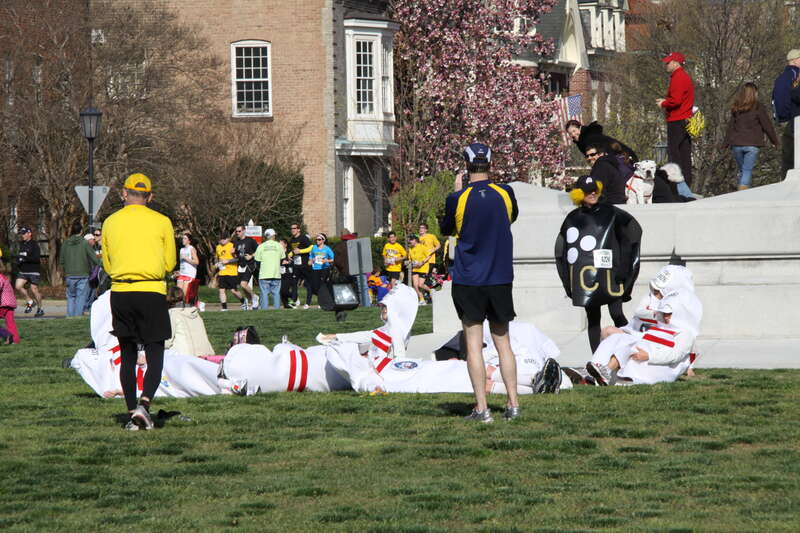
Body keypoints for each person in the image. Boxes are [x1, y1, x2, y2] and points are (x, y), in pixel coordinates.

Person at [439, 142, 520, 423]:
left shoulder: (458, 199)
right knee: (504, 343)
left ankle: (482, 409)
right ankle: (513, 404)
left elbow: (447, 228)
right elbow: (511, 218)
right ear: (491, 163)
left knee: (473, 344)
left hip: (469, 278)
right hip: (500, 277)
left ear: (466, 164)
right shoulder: (505, 193)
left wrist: (457, 191)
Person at [101, 173, 176, 430]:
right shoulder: (162, 221)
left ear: (124, 193)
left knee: (128, 353)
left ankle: (132, 410)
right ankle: (145, 404)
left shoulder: (110, 222)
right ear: (150, 196)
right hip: (151, 290)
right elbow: (170, 262)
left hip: (121, 291)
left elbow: (107, 263)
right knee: (155, 353)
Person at [554, 175, 642, 353]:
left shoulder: (611, 212)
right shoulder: (572, 218)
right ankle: (598, 358)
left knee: (617, 313)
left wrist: (624, 268)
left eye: (595, 189)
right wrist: (569, 283)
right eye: (587, 191)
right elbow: (562, 251)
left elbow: (631, 234)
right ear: (579, 194)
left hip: (611, 275)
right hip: (586, 277)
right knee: (593, 318)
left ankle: (633, 349)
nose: (592, 193)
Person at [723, 83, 779, 190]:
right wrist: (774, 141)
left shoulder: (736, 107)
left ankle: (743, 189)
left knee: (743, 170)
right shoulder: (758, 107)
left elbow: (730, 127)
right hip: (752, 144)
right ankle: (743, 191)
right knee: (747, 170)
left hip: (737, 144)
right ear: (755, 93)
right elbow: (767, 125)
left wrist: (725, 144)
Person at [657, 52, 695, 191]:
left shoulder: (678, 77)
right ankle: (686, 185)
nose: (666, 65)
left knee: (675, 153)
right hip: (684, 119)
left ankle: (678, 187)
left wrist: (664, 103)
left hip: (677, 119)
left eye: (668, 62)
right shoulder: (683, 76)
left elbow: (676, 100)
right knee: (684, 152)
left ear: (676, 63)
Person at [60, 221, 102, 317]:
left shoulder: (66, 243)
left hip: (69, 274)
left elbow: (61, 260)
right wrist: (103, 264)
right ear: (81, 231)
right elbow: (95, 258)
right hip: (83, 274)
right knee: (80, 297)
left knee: (71, 297)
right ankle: (77, 318)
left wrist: (66, 269)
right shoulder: (84, 243)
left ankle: (70, 317)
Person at [772, 49, 800, 177]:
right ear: (794, 60)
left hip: (784, 118)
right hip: (794, 118)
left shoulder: (781, 77)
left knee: (788, 155)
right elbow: (795, 94)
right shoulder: (796, 75)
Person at [165, 286, 215, 357]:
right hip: (205, 353)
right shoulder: (194, 312)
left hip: (184, 357)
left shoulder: (173, 313)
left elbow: (167, 342)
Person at [565, 120, 638, 162]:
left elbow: (601, 156)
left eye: (574, 131)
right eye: (570, 133)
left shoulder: (589, 138)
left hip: (625, 159)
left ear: (580, 128)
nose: (573, 134)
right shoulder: (582, 140)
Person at [14, 226, 44, 317]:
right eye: (21, 234)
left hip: (34, 271)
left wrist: (24, 258)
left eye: (24, 233)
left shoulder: (34, 245)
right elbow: (21, 256)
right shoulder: (22, 244)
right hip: (23, 271)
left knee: (34, 290)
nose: (22, 235)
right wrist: (19, 261)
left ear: (29, 234)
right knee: (18, 286)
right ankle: (30, 301)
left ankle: (40, 309)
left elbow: (36, 259)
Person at [253, 228, 284, 310]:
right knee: (276, 293)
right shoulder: (279, 245)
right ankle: (277, 310)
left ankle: (264, 310)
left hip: (264, 274)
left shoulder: (261, 246)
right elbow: (282, 258)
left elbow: (257, 261)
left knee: (264, 293)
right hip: (276, 274)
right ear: (273, 235)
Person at [215, 232, 244, 312]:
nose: (222, 241)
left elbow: (238, 258)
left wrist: (228, 261)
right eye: (220, 239)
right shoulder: (218, 247)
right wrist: (217, 263)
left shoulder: (232, 246)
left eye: (224, 239)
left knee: (234, 291)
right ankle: (224, 308)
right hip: (222, 272)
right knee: (221, 290)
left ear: (228, 239)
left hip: (232, 272)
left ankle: (243, 301)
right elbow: (217, 257)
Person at [233, 225, 259, 310]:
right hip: (241, 265)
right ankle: (252, 302)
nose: (237, 233)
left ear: (244, 231)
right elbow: (237, 255)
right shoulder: (236, 242)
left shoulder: (250, 240)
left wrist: (251, 256)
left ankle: (255, 297)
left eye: (239, 231)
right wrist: (232, 253)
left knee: (243, 284)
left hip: (250, 264)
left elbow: (259, 250)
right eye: (236, 231)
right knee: (243, 287)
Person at [289, 223, 314, 308]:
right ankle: (294, 302)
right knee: (294, 283)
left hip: (305, 265)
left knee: (308, 284)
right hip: (296, 265)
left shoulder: (304, 238)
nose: (293, 230)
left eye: (294, 228)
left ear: (298, 229)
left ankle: (307, 303)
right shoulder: (292, 239)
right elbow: (293, 251)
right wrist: (289, 255)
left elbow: (311, 248)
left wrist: (301, 251)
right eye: (291, 228)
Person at [307, 233, 334, 309]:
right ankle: (325, 299)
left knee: (322, 285)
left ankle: (321, 303)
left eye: (319, 239)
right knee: (315, 286)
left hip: (324, 269)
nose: (317, 241)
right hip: (315, 269)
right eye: (316, 239)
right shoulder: (314, 248)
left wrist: (326, 260)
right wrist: (311, 260)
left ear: (323, 240)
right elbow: (310, 259)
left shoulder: (327, 249)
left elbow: (333, 259)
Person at [407, 234, 433, 305]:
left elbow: (429, 255)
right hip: (415, 269)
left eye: (411, 240)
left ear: (415, 240)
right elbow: (410, 259)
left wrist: (422, 262)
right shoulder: (410, 249)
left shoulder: (422, 247)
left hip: (423, 268)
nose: (410, 242)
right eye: (409, 241)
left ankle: (431, 291)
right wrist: (409, 262)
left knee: (420, 285)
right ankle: (422, 300)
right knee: (415, 285)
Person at [176, 233, 200, 299]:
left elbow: (197, 262)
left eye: (185, 238)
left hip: (189, 274)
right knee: (179, 295)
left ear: (189, 241)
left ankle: (198, 304)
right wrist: (179, 271)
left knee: (184, 294)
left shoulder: (191, 249)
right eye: (182, 238)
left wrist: (187, 258)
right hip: (182, 274)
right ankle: (180, 307)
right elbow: (183, 264)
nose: (183, 240)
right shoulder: (181, 250)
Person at [0, 264, 19, 344]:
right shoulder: (3, 277)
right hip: (10, 303)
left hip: (4, 303)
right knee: (10, 322)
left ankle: (6, 335)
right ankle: (15, 340)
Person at [278, 238, 298, 309]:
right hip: (280, 273)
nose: (279, 245)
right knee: (281, 291)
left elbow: (294, 261)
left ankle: (294, 297)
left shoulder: (290, 252)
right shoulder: (277, 252)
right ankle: (286, 305)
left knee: (284, 290)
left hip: (288, 273)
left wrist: (289, 262)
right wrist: (281, 262)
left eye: (281, 244)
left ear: (285, 245)